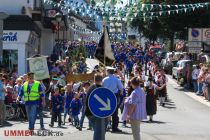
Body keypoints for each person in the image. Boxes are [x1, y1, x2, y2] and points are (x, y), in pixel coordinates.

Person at [102, 66, 124, 133]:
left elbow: (102, 88)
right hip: (114, 96)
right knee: (115, 113)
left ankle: (105, 127)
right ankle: (114, 128)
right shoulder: (116, 79)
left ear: (108, 71)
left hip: (106, 96)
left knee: (106, 112)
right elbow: (121, 87)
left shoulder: (104, 79)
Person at [86, 73, 106, 140]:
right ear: (101, 80)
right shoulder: (100, 88)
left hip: (89, 112)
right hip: (96, 113)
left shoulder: (90, 88)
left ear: (94, 79)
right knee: (98, 133)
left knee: (97, 131)